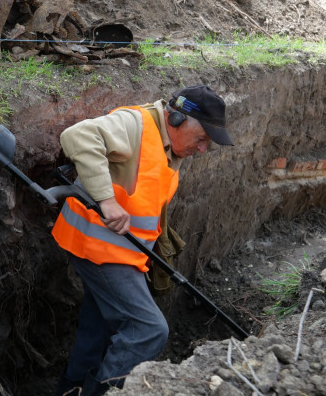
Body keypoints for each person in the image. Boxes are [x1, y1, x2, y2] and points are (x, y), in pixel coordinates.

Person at [51, 85, 234, 396]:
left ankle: (71, 389)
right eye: (202, 138)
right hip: (101, 250)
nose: (203, 149)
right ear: (176, 119)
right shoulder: (133, 125)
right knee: (147, 331)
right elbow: (76, 136)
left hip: (125, 253)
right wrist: (107, 201)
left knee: (98, 331)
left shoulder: (171, 145)